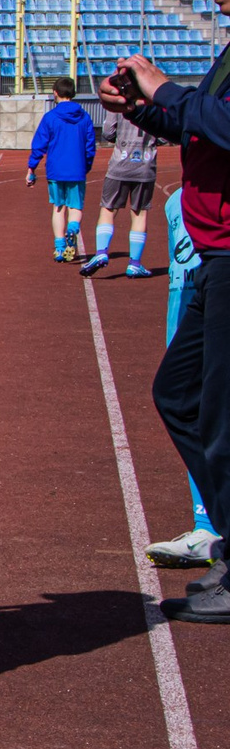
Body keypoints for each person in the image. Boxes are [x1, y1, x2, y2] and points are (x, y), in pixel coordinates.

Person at [95, 0, 230, 622]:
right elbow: (202, 121)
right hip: (216, 252)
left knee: (218, 413)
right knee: (181, 396)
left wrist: (169, 91)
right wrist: (145, 108)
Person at [148, 188, 223, 569]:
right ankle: (207, 523)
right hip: (186, 302)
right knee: (184, 405)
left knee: (212, 413)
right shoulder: (177, 199)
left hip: (217, 298)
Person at [27, 75, 99, 262]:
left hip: (56, 170)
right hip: (77, 169)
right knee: (75, 206)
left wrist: (31, 168)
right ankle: (72, 227)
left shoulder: (50, 117)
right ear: (73, 93)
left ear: (55, 93)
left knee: (58, 208)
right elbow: (90, 146)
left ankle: (59, 248)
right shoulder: (84, 118)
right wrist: (86, 166)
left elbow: (39, 144)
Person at [82, 108, 161, 278]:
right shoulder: (154, 101)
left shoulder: (120, 103)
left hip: (120, 164)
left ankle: (102, 251)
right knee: (140, 213)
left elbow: (108, 132)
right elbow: (164, 133)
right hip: (145, 166)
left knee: (108, 209)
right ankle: (134, 264)